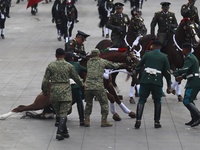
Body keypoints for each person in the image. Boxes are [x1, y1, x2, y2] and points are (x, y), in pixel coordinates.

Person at [41, 48, 84, 140]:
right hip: (65, 92)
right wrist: (83, 85)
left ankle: (65, 132)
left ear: (56, 55)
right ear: (64, 55)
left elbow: (45, 80)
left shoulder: (51, 66)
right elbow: (76, 78)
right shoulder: (69, 66)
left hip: (55, 92)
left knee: (58, 113)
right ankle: (59, 132)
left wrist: (45, 91)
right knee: (64, 112)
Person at [134, 40, 171, 129]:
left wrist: (135, 73)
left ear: (153, 46)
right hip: (157, 81)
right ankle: (157, 122)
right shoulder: (164, 57)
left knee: (142, 100)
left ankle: (138, 120)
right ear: (160, 47)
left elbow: (138, 66)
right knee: (157, 101)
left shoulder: (147, 55)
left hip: (145, 80)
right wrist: (169, 85)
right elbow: (167, 73)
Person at [84, 49, 126, 127]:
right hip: (98, 86)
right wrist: (121, 64)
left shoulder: (89, 62)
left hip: (88, 86)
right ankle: (104, 121)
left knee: (88, 104)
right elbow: (113, 66)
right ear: (99, 55)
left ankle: (86, 120)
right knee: (104, 104)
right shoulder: (102, 61)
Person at [173, 43, 200, 127]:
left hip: (193, 82)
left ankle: (198, 116)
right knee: (190, 100)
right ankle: (194, 118)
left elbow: (185, 69)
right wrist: (183, 77)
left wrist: (174, 72)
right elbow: (190, 71)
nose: (182, 50)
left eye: (183, 49)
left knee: (186, 101)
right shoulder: (192, 57)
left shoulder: (189, 58)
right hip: (193, 80)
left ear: (187, 49)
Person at [65, 51, 87, 126]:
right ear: (72, 58)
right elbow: (86, 70)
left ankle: (59, 119)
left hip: (64, 87)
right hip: (75, 87)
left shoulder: (63, 65)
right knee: (79, 102)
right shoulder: (77, 64)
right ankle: (81, 119)